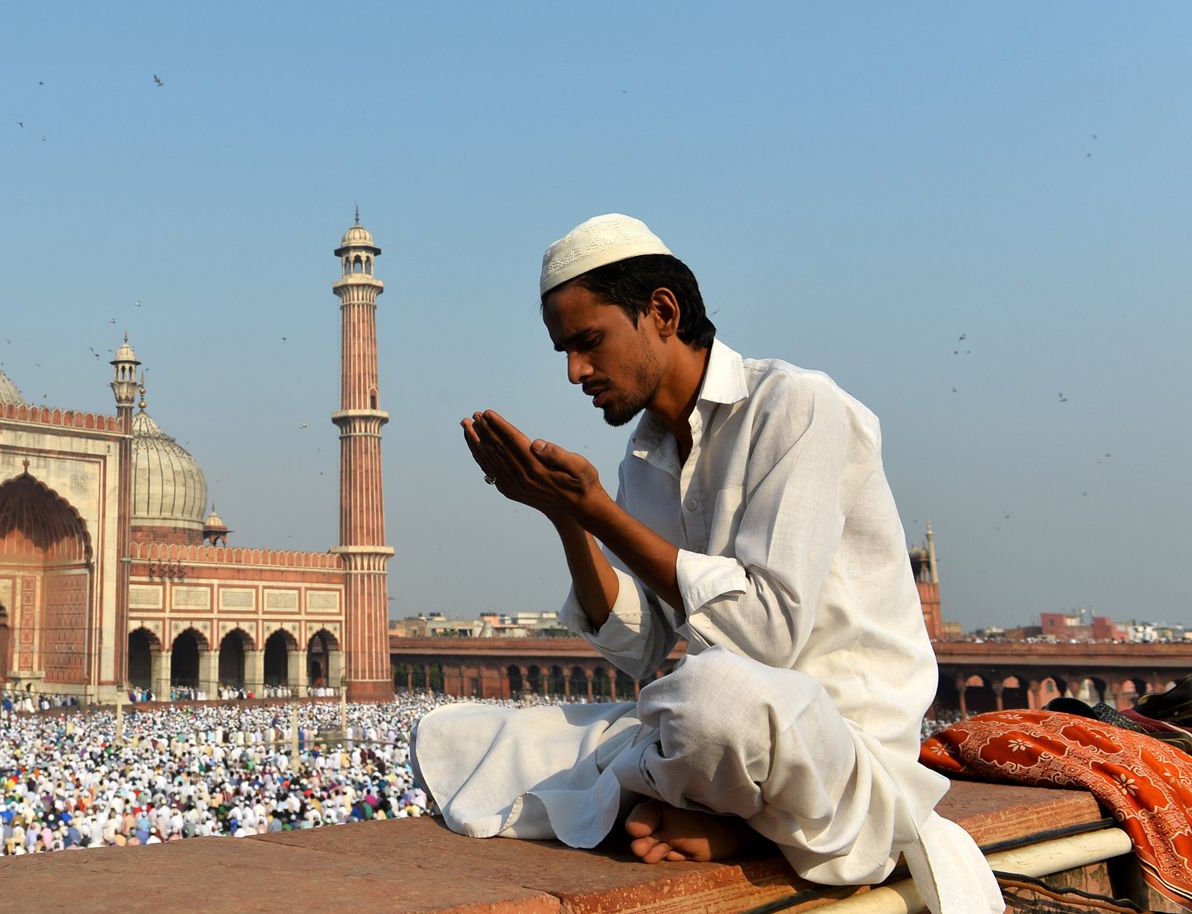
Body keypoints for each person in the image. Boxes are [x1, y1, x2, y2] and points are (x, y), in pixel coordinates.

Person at [417, 214, 1001, 913]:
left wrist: (601, 511)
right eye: (564, 352)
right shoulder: (646, 459)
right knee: (465, 735)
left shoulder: (795, 407)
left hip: (833, 739)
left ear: (662, 311)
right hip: (734, 734)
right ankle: (718, 814)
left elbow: (768, 632)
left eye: (588, 342)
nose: (575, 372)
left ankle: (723, 819)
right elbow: (647, 647)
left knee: (712, 699)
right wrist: (568, 518)